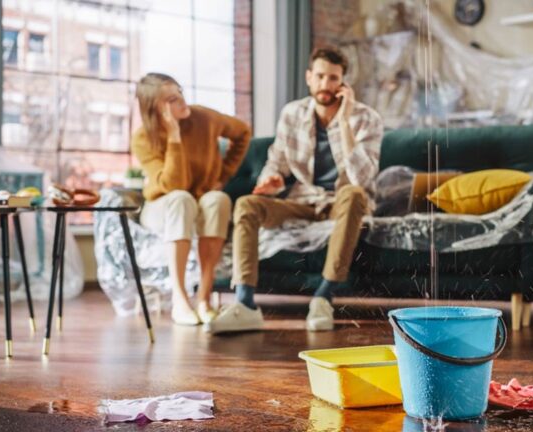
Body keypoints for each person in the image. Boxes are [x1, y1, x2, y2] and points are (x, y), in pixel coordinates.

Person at [205, 47, 383, 334]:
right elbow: (276, 161)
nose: (326, 84)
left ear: (343, 83)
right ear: (309, 77)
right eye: (321, 76)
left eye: (333, 78)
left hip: (342, 201)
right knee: (247, 205)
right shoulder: (293, 113)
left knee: (355, 194)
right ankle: (245, 303)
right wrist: (271, 181)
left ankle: (323, 297)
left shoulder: (367, 118)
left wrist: (346, 121)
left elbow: (361, 178)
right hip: (303, 199)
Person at [132, 72, 251, 326]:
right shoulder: (143, 137)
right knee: (180, 198)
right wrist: (174, 136)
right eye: (172, 99)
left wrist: (225, 174)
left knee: (218, 199)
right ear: (155, 108)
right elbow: (173, 185)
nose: (182, 101)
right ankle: (180, 298)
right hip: (161, 206)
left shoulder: (204, 118)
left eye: (180, 93)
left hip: (199, 200)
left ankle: (204, 298)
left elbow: (243, 132)